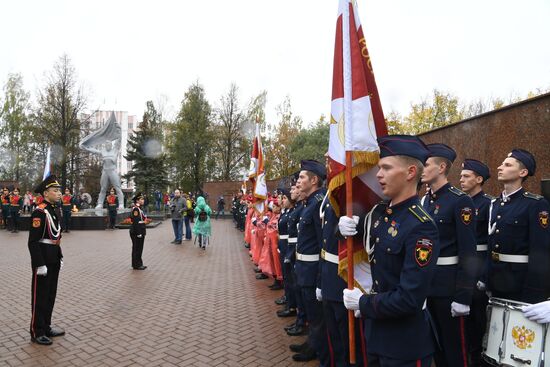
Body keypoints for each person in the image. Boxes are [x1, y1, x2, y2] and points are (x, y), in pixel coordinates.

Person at [340, 135, 440, 366]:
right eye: (379, 168)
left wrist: (363, 303)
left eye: (386, 168)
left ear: (410, 172)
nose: (378, 175)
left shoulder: (421, 225)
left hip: (404, 344)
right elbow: (353, 233)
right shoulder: (381, 214)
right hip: (378, 334)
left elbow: (409, 299)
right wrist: (341, 227)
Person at [421, 143, 477, 367]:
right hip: (427, 284)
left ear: (442, 167)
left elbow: (468, 251)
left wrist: (463, 295)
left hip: (449, 287)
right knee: (435, 345)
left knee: (455, 349)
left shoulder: (460, 200)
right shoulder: (425, 201)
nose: (421, 169)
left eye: (426, 165)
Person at [487, 149, 550, 303]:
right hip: (496, 281)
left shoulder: (535, 204)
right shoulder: (495, 204)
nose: (500, 168)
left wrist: (535, 293)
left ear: (522, 172)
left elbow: (540, 251)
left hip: (520, 284)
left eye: (507, 165)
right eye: (502, 164)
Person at [292, 159, 330, 365]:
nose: (298, 181)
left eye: (302, 177)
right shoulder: (309, 203)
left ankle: (316, 350)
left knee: (317, 317)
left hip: (313, 269)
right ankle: (312, 343)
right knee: (311, 314)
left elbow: (322, 242)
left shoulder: (318, 203)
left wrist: (319, 278)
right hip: (304, 267)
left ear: (314, 180)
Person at [459, 158, 494, 366]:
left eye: (466, 176)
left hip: (479, 266)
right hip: (463, 266)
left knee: (478, 322)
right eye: (461, 176)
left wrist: (484, 276)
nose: (461, 180)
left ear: (479, 179)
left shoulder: (488, 204)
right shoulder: (459, 202)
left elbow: (492, 243)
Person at [28, 175, 65, 345]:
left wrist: (60, 256)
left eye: (59, 190)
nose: (59, 193)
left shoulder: (53, 209)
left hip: (53, 259)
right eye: (55, 191)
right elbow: (33, 242)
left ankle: (47, 326)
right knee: (40, 297)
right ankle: (37, 331)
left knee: (50, 296)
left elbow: (56, 236)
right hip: (43, 261)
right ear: (45, 193)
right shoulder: (40, 212)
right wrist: (39, 264)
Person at [130, 193, 147, 270]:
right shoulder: (136, 209)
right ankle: (137, 265)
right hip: (137, 231)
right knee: (137, 248)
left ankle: (138, 263)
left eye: (143, 199)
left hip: (140, 230)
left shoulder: (139, 208)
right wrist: (139, 233)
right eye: (141, 199)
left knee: (139, 248)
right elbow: (136, 222)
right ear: (137, 200)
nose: (143, 200)